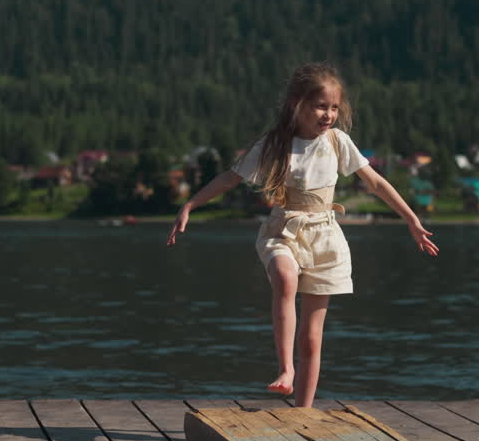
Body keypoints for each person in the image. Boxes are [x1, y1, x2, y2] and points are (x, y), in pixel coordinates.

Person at [166, 62, 439, 407]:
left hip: (325, 237)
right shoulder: (275, 143)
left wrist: (412, 220)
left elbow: (377, 183)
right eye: (320, 106)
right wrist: (191, 204)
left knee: (311, 339)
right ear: (297, 103)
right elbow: (229, 178)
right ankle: (285, 370)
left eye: (334, 107)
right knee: (284, 276)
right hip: (284, 230)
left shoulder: (338, 142)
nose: (328, 114)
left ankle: (303, 411)